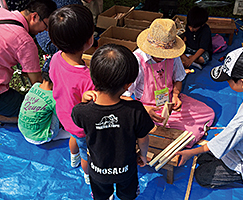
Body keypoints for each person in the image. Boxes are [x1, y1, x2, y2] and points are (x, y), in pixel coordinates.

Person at [176, 47, 243, 188]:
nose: (227, 83)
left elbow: (220, 143)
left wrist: (189, 153)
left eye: (229, 80)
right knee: (204, 157)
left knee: (202, 174)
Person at [72, 44, 154, 200]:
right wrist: (142, 155)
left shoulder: (82, 111)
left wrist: (84, 101)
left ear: (93, 76)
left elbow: (78, 118)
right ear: (128, 85)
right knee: (127, 195)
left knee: (101, 195)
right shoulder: (135, 110)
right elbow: (143, 139)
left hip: (98, 171)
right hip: (126, 170)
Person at [122, 18, 215, 148]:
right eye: (160, 53)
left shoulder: (173, 55)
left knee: (208, 113)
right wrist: (146, 109)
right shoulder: (137, 60)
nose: (163, 56)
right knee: (187, 134)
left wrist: (176, 95)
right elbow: (123, 96)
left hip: (169, 104)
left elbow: (178, 79)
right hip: (147, 108)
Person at [48, 4, 95, 184]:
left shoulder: (56, 58)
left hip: (64, 116)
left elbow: (55, 79)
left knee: (73, 138)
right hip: (82, 126)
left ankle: (72, 158)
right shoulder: (87, 78)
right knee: (87, 154)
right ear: (90, 40)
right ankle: (87, 175)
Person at [0, 0, 57, 124]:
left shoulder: (2, 12)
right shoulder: (25, 42)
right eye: (46, 25)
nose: (46, 31)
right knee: (32, 114)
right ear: (34, 16)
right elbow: (37, 84)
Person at [18, 64, 70, 145]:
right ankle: (53, 134)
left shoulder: (35, 86)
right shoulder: (54, 98)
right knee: (58, 109)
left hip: (24, 132)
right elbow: (65, 117)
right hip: (40, 138)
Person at [180, 6, 213, 72]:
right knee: (176, 51)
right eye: (190, 26)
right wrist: (181, 48)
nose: (191, 29)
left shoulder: (206, 30)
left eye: (194, 28)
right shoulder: (189, 25)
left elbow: (202, 48)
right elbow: (185, 38)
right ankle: (187, 58)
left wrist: (191, 59)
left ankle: (187, 58)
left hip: (199, 51)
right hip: (189, 48)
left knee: (202, 59)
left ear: (202, 25)